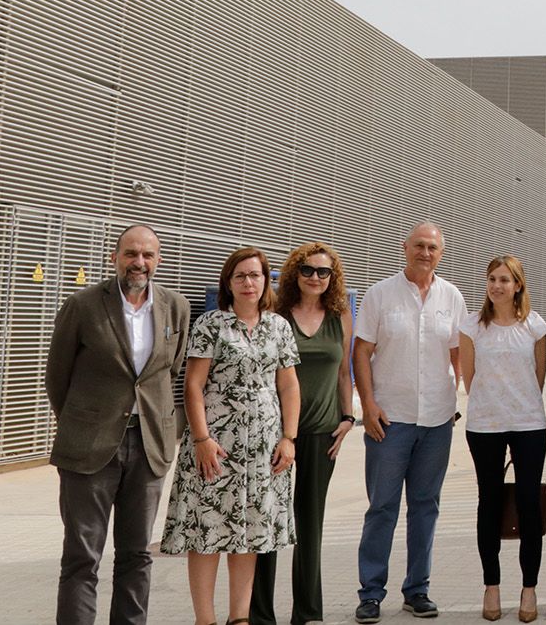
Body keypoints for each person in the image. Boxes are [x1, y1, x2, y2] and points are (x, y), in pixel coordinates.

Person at [47, 223, 191, 625]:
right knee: (82, 556)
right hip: (89, 450)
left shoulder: (175, 306)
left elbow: (171, 370)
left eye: (147, 255)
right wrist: (85, 423)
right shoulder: (84, 304)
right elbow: (57, 376)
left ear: (158, 260)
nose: (139, 262)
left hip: (148, 448)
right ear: (115, 258)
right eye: (131, 254)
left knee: (136, 554)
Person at [160, 247, 301, 625]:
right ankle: (205, 619)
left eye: (255, 275)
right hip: (216, 446)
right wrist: (202, 440)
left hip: (264, 449)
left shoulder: (279, 327)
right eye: (240, 276)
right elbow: (193, 386)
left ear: (265, 280)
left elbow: (288, 385)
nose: (248, 282)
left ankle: (239, 618)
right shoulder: (211, 324)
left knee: (250, 535)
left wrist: (289, 437)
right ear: (229, 282)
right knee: (209, 532)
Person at [352, 223, 467, 624]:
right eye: (419, 245)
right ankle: (370, 594)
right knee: (382, 508)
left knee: (425, 507)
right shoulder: (380, 293)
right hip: (390, 420)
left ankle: (417, 590)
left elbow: (459, 354)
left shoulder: (452, 296)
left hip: (437, 420)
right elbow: (362, 352)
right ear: (405, 248)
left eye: (433, 247)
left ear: (441, 252)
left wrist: (460, 397)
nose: (425, 252)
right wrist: (367, 405)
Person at [250, 242, 356, 625]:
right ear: (295, 273)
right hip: (276, 434)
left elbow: (344, 372)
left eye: (323, 272)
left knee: (311, 523)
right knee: (268, 522)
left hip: (323, 431)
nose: (315, 277)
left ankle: (308, 612)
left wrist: (348, 417)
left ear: (333, 277)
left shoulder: (340, 316)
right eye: (308, 270)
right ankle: (259, 613)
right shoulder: (276, 313)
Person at [460, 255, 546, 623]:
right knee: (490, 501)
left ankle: (529, 588)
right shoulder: (471, 327)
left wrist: (518, 404)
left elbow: (539, 378)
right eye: (492, 279)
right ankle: (492, 586)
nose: (497, 285)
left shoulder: (534, 325)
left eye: (505, 280)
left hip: (529, 423)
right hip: (485, 425)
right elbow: (470, 378)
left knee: (529, 502)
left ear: (518, 285)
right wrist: (494, 405)